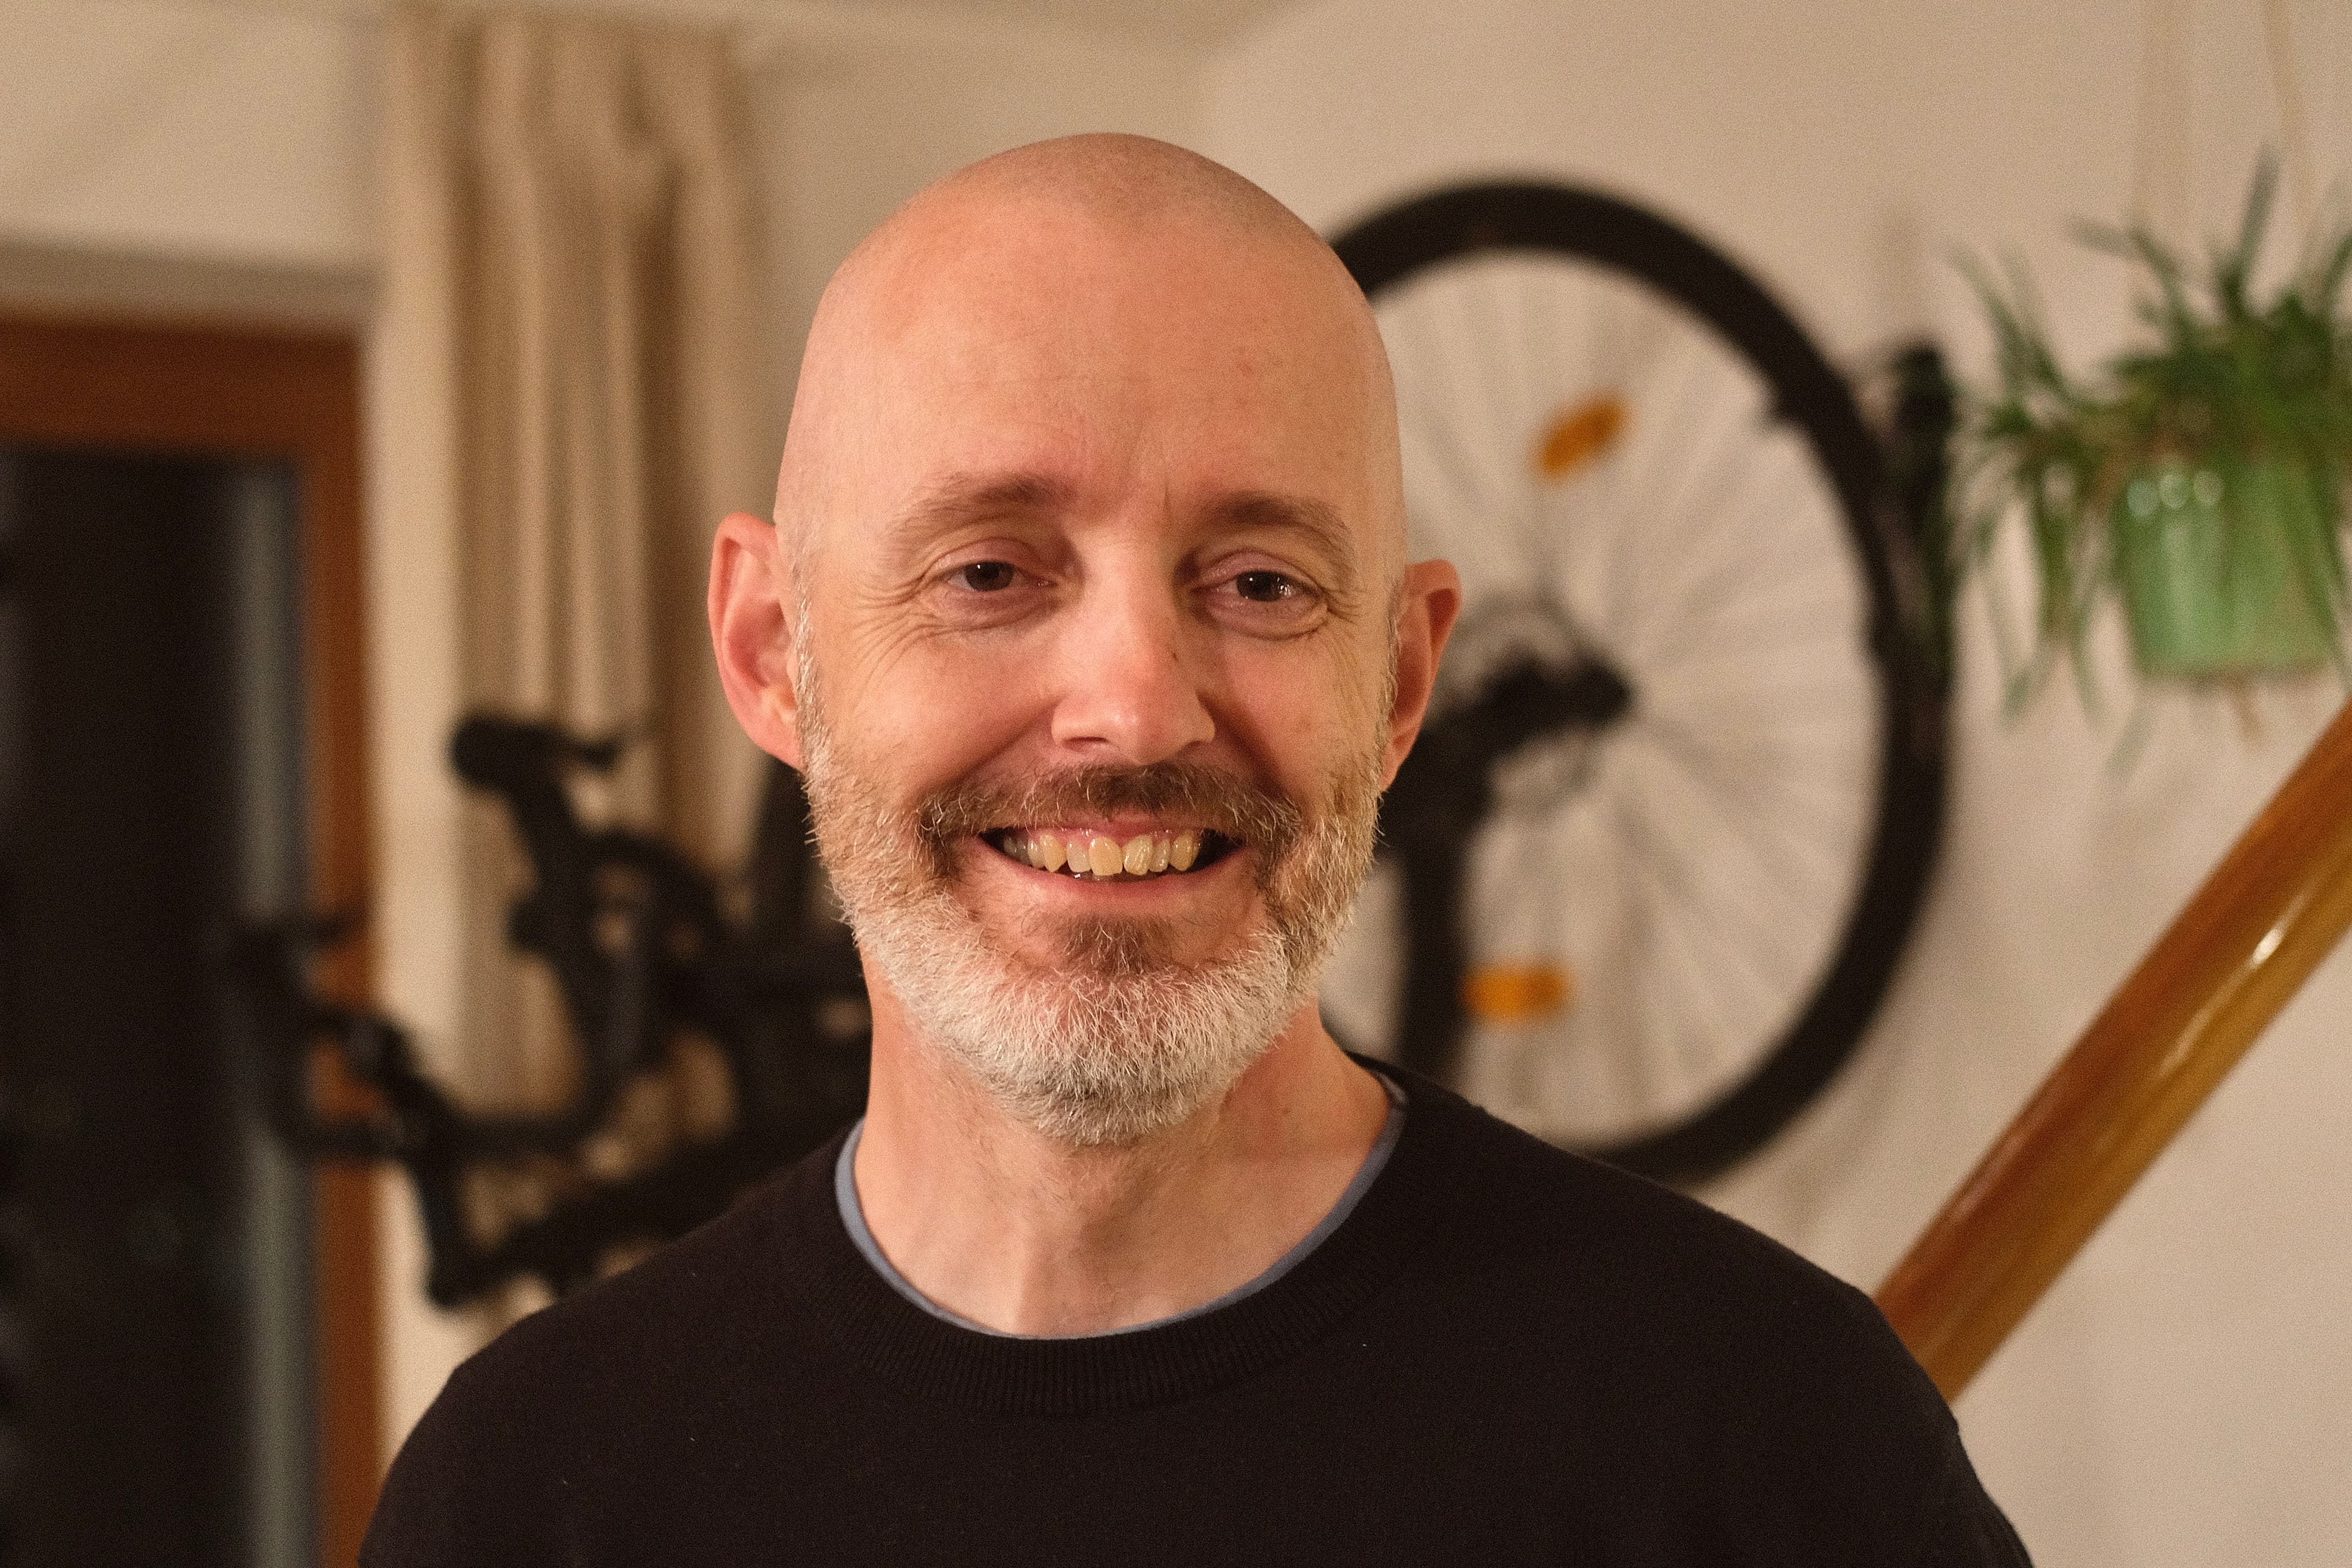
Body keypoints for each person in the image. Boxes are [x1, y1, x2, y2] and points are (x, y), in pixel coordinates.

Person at [362, 134, 2030, 1566]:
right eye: (990, 573)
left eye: (1259, 583)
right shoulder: (531, 1495)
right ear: (771, 653)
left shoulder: (1768, 1443)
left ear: (1398, 683)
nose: (1137, 709)